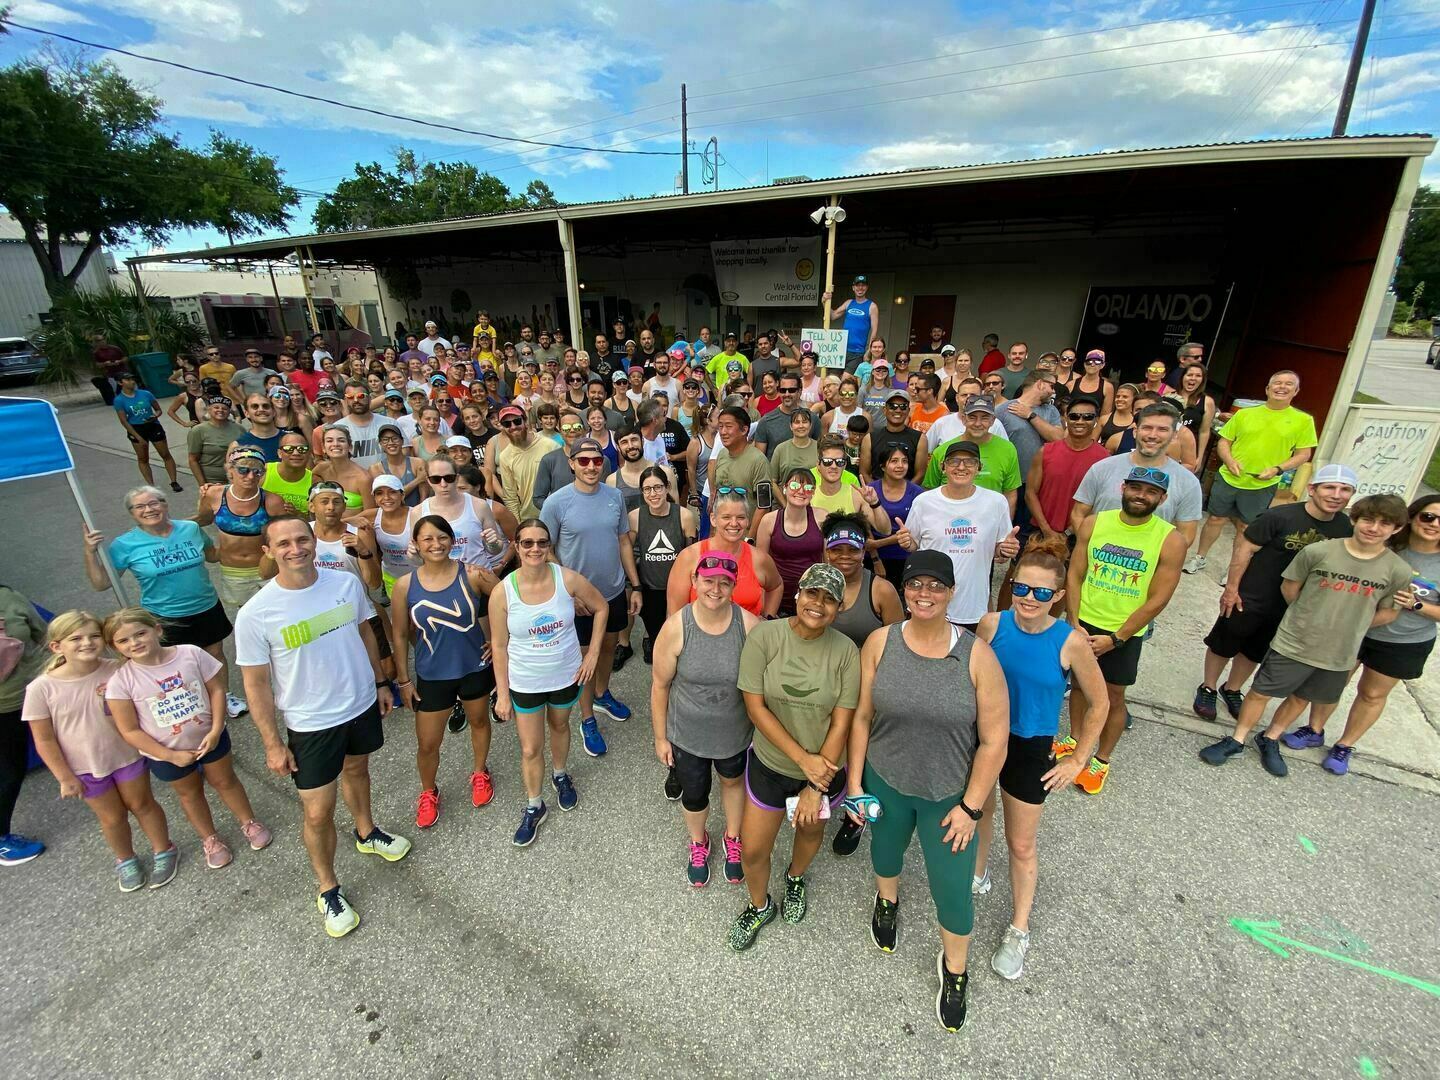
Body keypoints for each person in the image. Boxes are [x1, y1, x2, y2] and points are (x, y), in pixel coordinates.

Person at [843, 550, 1008, 1032]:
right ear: (905, 590)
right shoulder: (880, 642)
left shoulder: (976, 655)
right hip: (885, 780)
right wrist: (854, 784)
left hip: (948, 797)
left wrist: (971, 807)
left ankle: (954, 970)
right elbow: (862, 717)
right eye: (916, 584)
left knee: (953, 891)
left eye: (936, 585)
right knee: (886, 855)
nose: (924, 593)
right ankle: (887, 903)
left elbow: (995, 741)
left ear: (952, 591)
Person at [236, 517, 410, 938]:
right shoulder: (256, 613)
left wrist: (381, 681)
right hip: (311, 723)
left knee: (358, 771)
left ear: (313, 541)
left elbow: (367, 633)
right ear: (268, 551)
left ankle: (367, 832)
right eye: (284, 543)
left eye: (302, 539)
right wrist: (273, 743)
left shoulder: (344, 585)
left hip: (359, 703)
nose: (295, 548)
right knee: (317, 812)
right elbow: (255, 684)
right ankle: (328, 887)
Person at [970, 538, 1108, 978]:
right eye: (1023, 589)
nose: (1030, 599)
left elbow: (1100, 704)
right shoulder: (991, 625)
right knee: (980, 810)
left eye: (1042, 593)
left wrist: (1078, 759)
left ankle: (1019, 928)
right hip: (983, 736)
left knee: (1022, 843)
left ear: (1059, 596)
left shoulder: (1071, 643)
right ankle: (978, 874)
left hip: (1031, 747)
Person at [1199, 495, 1412, 777]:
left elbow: (1389, 612)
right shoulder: (1319, 551)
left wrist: (1353, 625)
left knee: (1302, 696)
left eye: (1385, 523)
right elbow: (1290, 588)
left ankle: (1271, 737)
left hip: (1340, 650)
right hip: (1295, 639)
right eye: (1368, 519)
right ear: (1354, 520)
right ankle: (1237, 738)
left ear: (1396, 529)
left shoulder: (1398, 570)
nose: (1374, 528)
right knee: (1261, 691)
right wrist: (1307, 616)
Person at [726, 564, 860, 951]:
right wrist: (803, 761)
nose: (818, 604)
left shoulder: (846, 652)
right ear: (798, 595)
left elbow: (842, 724)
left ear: (839, 607)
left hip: (824, 769)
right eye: (812, 594)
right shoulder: (765, 637)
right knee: (752, 850)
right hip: (772, 764)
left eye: (829, 599)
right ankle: (759, 904)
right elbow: (755, 709)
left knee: (810, 830)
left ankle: (796, 878)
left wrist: (814, 787)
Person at [103, 608, 270, 870]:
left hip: (210, 738)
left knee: (225, 780)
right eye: (123, 640)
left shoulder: (190, 653)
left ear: (157, 629)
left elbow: (216, 689)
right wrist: (169, 755)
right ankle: (210, 839)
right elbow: (129, 730)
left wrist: (216, 729)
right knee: (189, 794)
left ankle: (248, 821)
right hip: (166, 753)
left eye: (140, 633)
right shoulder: (121, 682)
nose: (134, 643)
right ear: (114, 646)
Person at [1285, 494, 1440, 774]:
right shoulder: (1385, 543)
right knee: (1331, 681)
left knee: (1371, 693)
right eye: (1428, 516)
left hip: (1403, 640)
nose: (1434, 524)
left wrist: (1417, 605)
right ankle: (1314, 728)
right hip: (1355, 628)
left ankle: (1344, 745)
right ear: (1412, 517)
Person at [23, 611, 177, 890]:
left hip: (127, 755)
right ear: (56, 646)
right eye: (76, 638)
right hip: (85, 768)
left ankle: (163, 849)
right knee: (111, 817)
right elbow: (43, 740)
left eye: (94, 636)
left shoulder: (118, 669)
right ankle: (125, 859)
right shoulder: (41, 689)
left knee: (143, 805)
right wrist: (64, 777)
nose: (87, 643)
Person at [1193, 465, 1357, 723]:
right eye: (1329, 487)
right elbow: (1244, 550)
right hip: (1252, 594)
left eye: (1344, 489)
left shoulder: (1345, 528)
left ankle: (1232, 688)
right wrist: (1232, 589)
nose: (1336, 494)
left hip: (1293, 603)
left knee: (1257, 650)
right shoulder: (1279, 516)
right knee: (1224, 641)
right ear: (1313, 489)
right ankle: (1209, 687)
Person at [1062, 466, 1186, 794]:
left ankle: (1100, 760)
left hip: (1123, 632)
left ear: (1162, 498)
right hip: (1083, 623)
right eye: (1136, 488)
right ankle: (1075, 741)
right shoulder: (1094, 523)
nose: (1141, 496)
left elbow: (1158, 599)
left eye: (1150, 492)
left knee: (1114, 697)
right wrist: (1073, 623)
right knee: (1077, 686)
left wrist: (1118, 638)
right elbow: (1074, 574)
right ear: (1123, 488)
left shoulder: (1170, 539)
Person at [488, 518, 607, 846]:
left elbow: (601, 607)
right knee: (529, 747)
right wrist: (501, 692)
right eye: (527, 543)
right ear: (517, 546)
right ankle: (534, 804)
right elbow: (498, 645)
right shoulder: (503, 592)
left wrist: (593, 655)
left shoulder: (566, 579)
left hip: (565, 673)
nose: (535, 549)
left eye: (542, 542)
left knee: (560, 726)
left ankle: (560, 774)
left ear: (549, 546)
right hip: (525, 681)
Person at [82, 486, 245, 719]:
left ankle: (224, 695)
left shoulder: (190, 529)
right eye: (140, 506)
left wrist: (239, 534)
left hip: (205, 604)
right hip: (164, 615)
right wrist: (89, 552)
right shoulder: (125, 545)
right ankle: (191, 705)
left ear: (165, 505)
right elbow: (101, 583)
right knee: (174, 663)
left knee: (214, 654)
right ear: (132, 513)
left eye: (154, 503)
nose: (149, 509)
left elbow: (213, 555)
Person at [650, 551, 759, 886]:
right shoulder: (676, 628)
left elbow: (761, 685)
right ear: (694, 582)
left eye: (724, 582)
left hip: (734, 732)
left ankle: (733, 837)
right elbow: (659, 685)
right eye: (708, 580)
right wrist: (660, 737)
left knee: (732, 782)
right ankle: (699, 842)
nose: (716, 588)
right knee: (695, 793)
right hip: (688, 733)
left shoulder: (750, 626)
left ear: (733, 585)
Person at [389, 515, 499, 828]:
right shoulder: (405, 586)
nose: (436, 544)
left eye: (442, 537)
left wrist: (497, 639)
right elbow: (399, 634)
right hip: (433, 673)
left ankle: (480, 772)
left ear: (452, 540)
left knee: (478, 721)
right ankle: (428, 791)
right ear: (417, 545)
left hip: (474, 666)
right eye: (427, 539)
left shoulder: (474, 574)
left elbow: (510, 599)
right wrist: (404, 680)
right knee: (427, 743)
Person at [540, 438, 641, 759]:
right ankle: (587, 718)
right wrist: (567, 591)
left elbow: (624, 541)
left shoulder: (614, 496)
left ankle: (601, 693)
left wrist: (633, 585)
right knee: (585, 660)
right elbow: (546, 550)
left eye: (596, 461)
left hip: (611, 591)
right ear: (571, 463)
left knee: (609, 648)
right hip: (578, 600)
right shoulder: (557, 502)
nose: (590, 467)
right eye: (583, 461)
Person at [1186, 371, 1316, 574]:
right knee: (1214, 519)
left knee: (1246, 528)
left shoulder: (1303, 421)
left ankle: (1233, 568)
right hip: (1230, 477)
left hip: (1262, 483)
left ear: (1296, 391)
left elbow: (1304, 454)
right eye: (1277, 383)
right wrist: (1228, 461)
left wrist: (1277, 469)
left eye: (1288, 384)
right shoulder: (1245, 414)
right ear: (1267, 389)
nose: (1281, 387)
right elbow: (1224, 442)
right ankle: (1199, 557)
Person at [902, 441, 1020, 632]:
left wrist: (1005, 550)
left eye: (970, 462)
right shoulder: (923, 502)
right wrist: (907, 543)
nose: (961, 467)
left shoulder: (996, 502)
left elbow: (999, 551)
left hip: (973, 605)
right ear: (943, 467)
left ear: (979, 468)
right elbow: (914, 547)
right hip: (928, 602)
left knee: (967, 659)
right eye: (954, 461)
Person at [1070, 403, 1204, 548]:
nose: (1153, 435)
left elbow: (1186, 535)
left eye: (1162, 429)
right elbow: (1078, 515)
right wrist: (1090, 548)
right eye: (1147, 427)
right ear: (1135, 431)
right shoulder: (1102, 468)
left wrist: (1158, 561)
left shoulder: (1188, 482)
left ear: (1174, 436)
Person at [194, 447, 287, 613]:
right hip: (233, 570)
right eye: (243, 470)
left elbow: (285, 535)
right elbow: (203, 520)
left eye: (257, 472)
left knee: (276, 611)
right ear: (230, 469)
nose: (250, 476)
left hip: (267, 567)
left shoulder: (273, 501)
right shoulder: (214, 494)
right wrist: (166, 525)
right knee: (247, 613)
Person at [668, 490, 783, 619]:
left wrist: (767, 619)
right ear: (713, 519)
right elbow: (675, 614)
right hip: (701, 636)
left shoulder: (759, 559)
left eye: (740, 517)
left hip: (747, 636)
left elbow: (776, 586)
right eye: (726, 517)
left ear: (747, 521)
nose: (734, 523)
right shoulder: (689, 557)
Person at [0, 584, 48, 865]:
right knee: (9, 771)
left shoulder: (10, 598)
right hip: (4, 707)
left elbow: (44, 637)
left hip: (32, 693)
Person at [631, 465, 698, 664]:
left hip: (678, 589)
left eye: (658, 487)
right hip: (651, 590)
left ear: (667, 487)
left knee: (680, 639)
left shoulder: (684, 516)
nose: (653, 494)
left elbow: (692, 555)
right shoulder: (635, 517)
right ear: (642, 492)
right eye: (647, 489)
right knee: (657, 638)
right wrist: (634, 587)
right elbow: (628, 552)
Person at [1024, 395, 1109, 545]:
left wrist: (1067, 533)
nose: (1080, 421)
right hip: (1041, 530)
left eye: (1088, 417)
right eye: (1074, 416)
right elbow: (1030, 493)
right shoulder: (1045, 451)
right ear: (1065, 418)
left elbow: (1100, 502)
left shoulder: (1105, 459)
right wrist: (1046, 530)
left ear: (1096, 421)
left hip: (1079, 534)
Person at [111, 372, 183, 492]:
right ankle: (151, 485)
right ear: (120, 383)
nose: (131, 382)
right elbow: (124, 421)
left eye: (132, 379)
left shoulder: (145, 394)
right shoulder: (119, 400)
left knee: (165, 454)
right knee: (143, 458)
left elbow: (158, 410)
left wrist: (155, 416)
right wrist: (137, 437)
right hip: (136, 428)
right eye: (127, 380)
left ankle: (174, 481)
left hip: (152, 425)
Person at [868, 446, 925, 590]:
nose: (900, 466)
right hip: (873, 558)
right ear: (882, 466)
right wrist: (875, 557)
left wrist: (878, 543)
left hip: (906, 558)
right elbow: (864, 526)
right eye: (894, 461)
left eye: (904, 461)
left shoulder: (918, 493)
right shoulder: (870, 490)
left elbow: (915, 532)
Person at [708, 406, 772, 535]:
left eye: (728, 426)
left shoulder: (758, 461)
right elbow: (717, 497)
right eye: (720, 426)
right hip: (721, 535)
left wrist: (750, 538)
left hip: (744, 537)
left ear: (744, 430)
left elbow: (764, 506)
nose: (723, 432)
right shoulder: (722, 455)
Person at [496, 405, 559, 521]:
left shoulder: (551, 446)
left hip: (556, 515)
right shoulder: (505, 457)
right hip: (529, 519)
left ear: (525, 421)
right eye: (507, 424)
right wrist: (518, 524)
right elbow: (510, 497)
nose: (513, 427)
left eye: (517, 421)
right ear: (502, 428)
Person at [311, 425, 374, 511]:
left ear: (350, 446)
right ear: (323, 448)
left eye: (341, 440)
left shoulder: (363, 478)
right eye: (329, 440)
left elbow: (372, 513)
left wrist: (347, 521)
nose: (335, 444)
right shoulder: (320, 470)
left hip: (355, 524)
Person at [823, 275, 878, 372]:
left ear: (867, 287)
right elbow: (832, 316)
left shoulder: (872, 306)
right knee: (832, 379)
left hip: (857, 352)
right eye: (857, 285)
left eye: (863, 285)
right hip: (840, 349)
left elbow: (874, 331)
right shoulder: (849, 303)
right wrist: (824, 302)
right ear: (853, 288)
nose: (860, 288)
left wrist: (869, 351)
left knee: (847, 382)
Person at [187, 396, 246, 485]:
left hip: (238, 478)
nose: (220, 410)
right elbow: (193, 460)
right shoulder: (198, 431)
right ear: (209, 410)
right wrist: (202, 484)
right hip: (212, 479)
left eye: (224, 408)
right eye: (216, 407)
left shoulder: (239, 429)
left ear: (229, 411)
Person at [333, 384, 388, 467]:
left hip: (385, 477)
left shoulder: (389, 423)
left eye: (361, 396)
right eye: (350, 397)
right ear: (345, 400)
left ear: (369, 398)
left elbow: (403, 453)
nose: (356, 400)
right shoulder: (337, 429)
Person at [1175, 363, 1217, 472]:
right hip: (1170, 449)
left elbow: (1204, 431)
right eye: (1190, 375)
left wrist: (1200, 457)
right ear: (1183, 377)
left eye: (1198, 376)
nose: (1193, 378)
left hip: (1190, 452)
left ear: (1203, 380)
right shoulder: (1169, 396)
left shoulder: (1207, 402)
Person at [371, 423, 424, 508]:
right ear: (380, 443)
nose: (391, 443)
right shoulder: (375, 469)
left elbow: (423, 498)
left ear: (402, 441)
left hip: (416, 512)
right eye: (385, 440)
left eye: (395, 439)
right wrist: (417, 480)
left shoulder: (418, 463)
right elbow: (387, 497)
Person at [262, 431, 314, 516]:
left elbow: (317, 520)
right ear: (279, 453)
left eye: (302, 449)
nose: (296, 453)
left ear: (308, 453)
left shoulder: (314, 480)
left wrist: (298, 515)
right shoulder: (264, 471)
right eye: (289, 449)